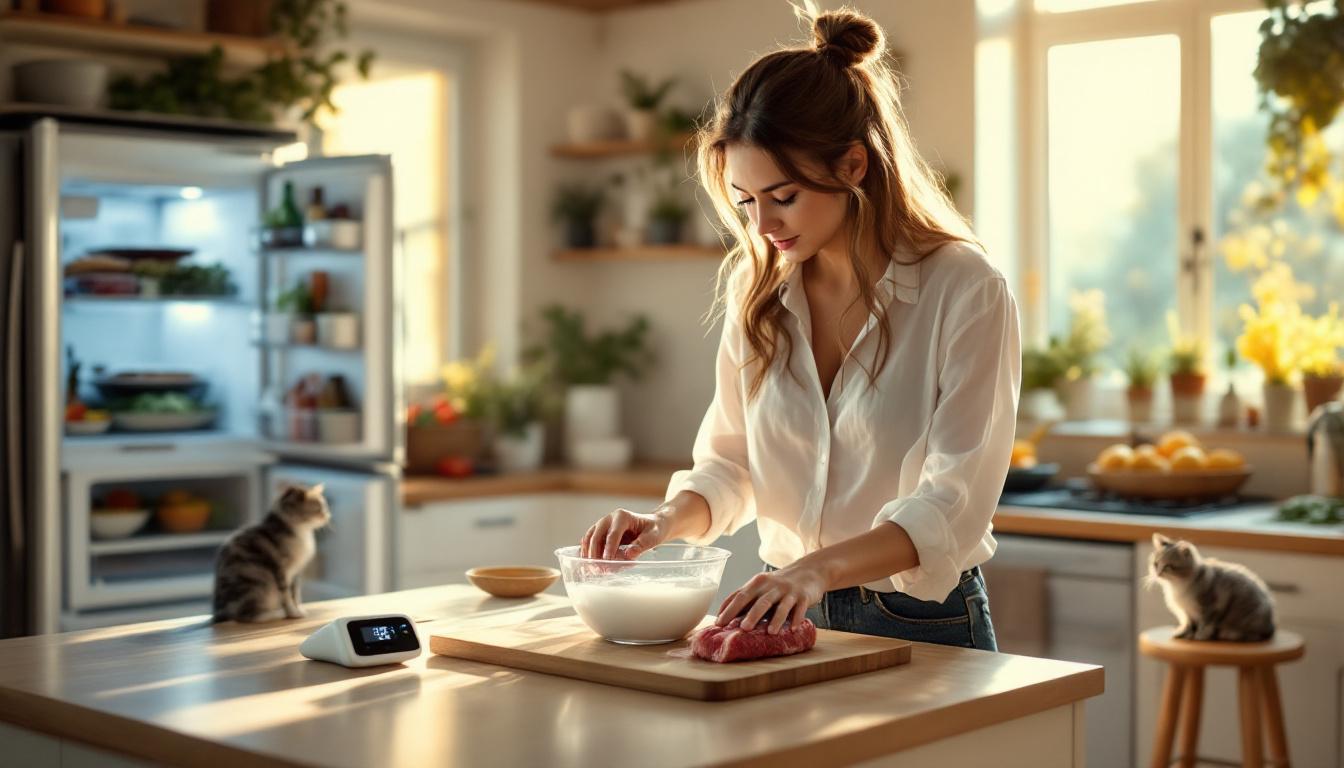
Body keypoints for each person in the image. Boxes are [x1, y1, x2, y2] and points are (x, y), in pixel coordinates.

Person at [578, 4, 1019, 652]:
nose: (763, 227)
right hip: (780, 612)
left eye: (783, 197)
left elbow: (952, 505)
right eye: (746, 201)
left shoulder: (966, 289)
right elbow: (731, 465)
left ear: (852, 167)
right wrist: (663, 522)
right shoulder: (757, 291)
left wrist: (815, 572)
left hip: (920, 625)